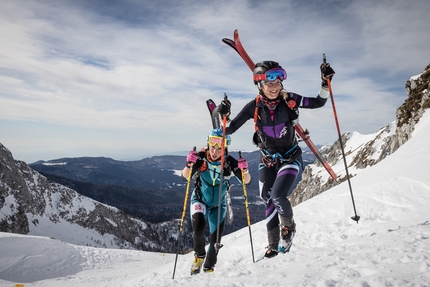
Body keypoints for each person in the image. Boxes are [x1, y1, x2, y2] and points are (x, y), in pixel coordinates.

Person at [218, 60, 335, 258]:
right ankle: (273, 244)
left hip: (290, 157)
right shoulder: (253, 107)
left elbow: (319, 102)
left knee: (278, 196)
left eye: (277, 83)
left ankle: (288, 229)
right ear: (260, 85)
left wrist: (325, 83)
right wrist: (222, 115)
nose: (274, 88)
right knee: (267, 199)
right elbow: (228, 129)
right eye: (269, 84)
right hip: (267, 159)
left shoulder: (289, 99)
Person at [182, 128, 251, 274]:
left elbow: (246, 181)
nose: (214, 151)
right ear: (208, 144)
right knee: (199, 227)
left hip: (219, 205)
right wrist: (188, 164)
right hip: (200, 200)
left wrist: (245, 171)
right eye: (212, 147)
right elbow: (185, 176)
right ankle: (199, 255)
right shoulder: (200, 158)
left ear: (224, 148)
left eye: (219, 148)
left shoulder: (228, 162)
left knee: (215, 242)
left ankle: (209, 266)